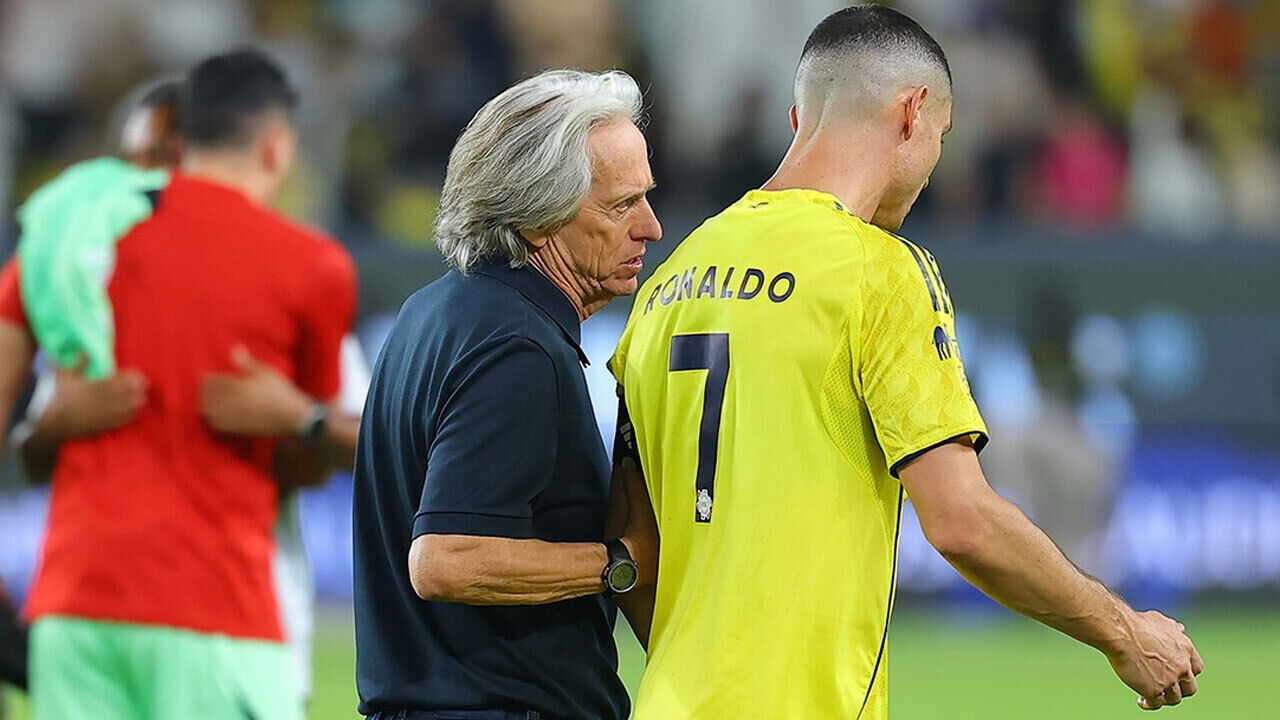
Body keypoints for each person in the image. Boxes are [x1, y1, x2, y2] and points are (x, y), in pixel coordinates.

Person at [608, 6, 1203, 719]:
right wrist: (1123, 631)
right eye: (942, 139)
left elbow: (633, 550)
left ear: (801, 120)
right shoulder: (878, 271)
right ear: (913, 113)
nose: (932, 167)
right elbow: (961, 521)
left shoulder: (668, 282)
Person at [2, 50, 357, 720]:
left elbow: (19, 433)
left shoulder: (60, 236)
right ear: (278, 149)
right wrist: (297, 419)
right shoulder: (312, 264)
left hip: (73, 608)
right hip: (216, 608)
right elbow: (308, 467)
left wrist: (47, 427)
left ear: (176, 140)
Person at [352, 69, 661, 720]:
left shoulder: (429, 313)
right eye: (621, 206)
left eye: (646, 199)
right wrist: (618, 564)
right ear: (539, 217)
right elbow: (445, 560)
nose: (652, 228)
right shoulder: (517, 349)